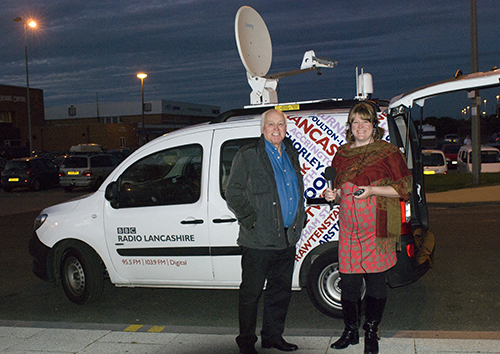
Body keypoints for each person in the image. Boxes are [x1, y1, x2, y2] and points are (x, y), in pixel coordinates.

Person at [324, 102, 412, 354]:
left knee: (375, 283)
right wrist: (334, 195)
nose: (360, 126)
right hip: (349, 229)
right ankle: (350, 331)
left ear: (374, 125)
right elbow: (342, 192)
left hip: (377, 228)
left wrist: (373, 190)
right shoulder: (341, 154)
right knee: (349, 284)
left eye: (365, 121)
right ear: (350, 126)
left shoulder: (388, 152)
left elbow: (403, 188)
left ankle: (371, 332)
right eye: (355, 122)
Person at [226, 109, 307, 354]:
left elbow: (294, 189)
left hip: (286, 239)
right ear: (262, 129)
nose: (276, 128)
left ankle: (272, 337)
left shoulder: (290, 153)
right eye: (270, 124)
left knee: (279, 293)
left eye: (280, 124)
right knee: (250, 295)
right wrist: (251, 220)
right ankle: (246, 343)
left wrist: (298, 220)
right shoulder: (249, 155)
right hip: (257, 242)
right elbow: (233, 192)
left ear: (285, 127)